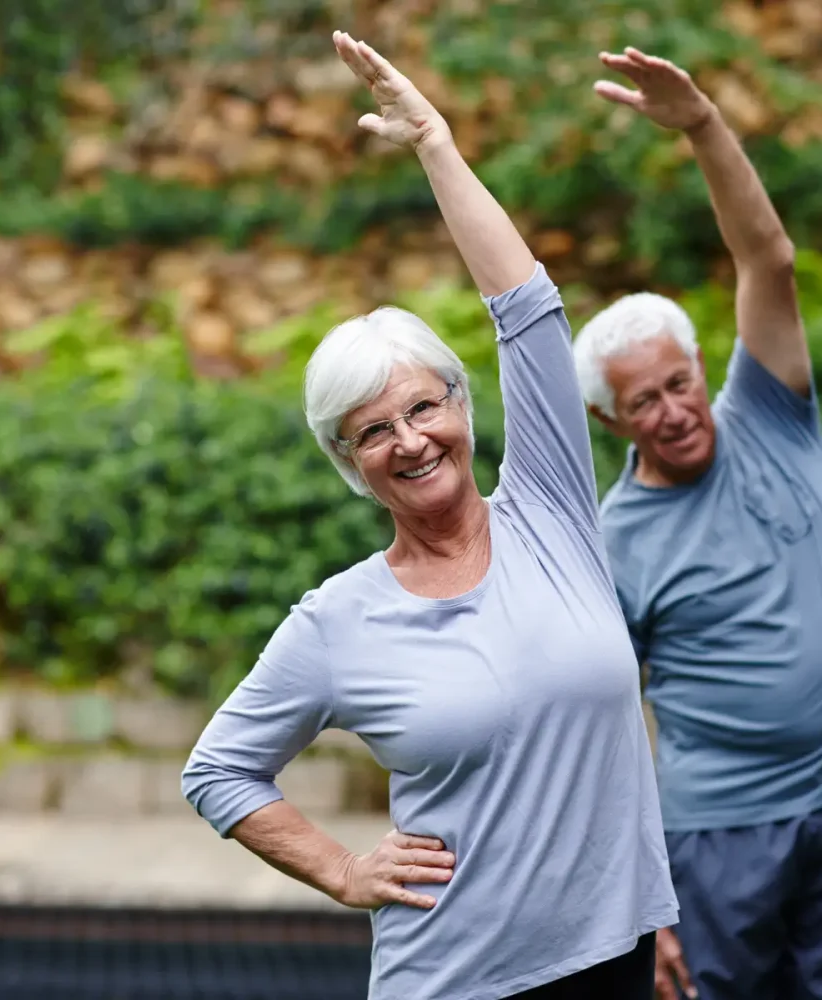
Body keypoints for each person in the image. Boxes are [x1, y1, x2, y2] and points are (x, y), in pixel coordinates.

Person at [182, 31, 678, 1000]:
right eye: (372, 431)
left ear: (461, 405)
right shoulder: (336, 620)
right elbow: (221, 770)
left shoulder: (550, 512)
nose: (409, 440)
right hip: (454, 978)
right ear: (348, 463)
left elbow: (525, 310)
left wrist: (435, 146)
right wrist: (340, 868)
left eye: (423, 407)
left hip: (613, 955)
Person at [574, 47, 822, 1000]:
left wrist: (703, 129)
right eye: (645, 403)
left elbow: (769, 255)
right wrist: (647, 899)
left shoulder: (768, 409)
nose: (675, 411)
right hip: (721, 835)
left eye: (680, 384)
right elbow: (604, 727)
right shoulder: (616, 541)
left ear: (699, 366)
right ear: (611, 420)